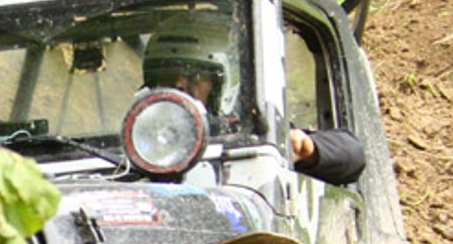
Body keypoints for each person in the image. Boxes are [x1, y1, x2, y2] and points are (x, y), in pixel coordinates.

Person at [142, 12, 367, 187]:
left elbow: (352, 153)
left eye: (195, 76)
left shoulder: (247, 131)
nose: (179, 84)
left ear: (225, 82)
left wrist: (306, 149)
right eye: (166, 77)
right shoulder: (136, 139)